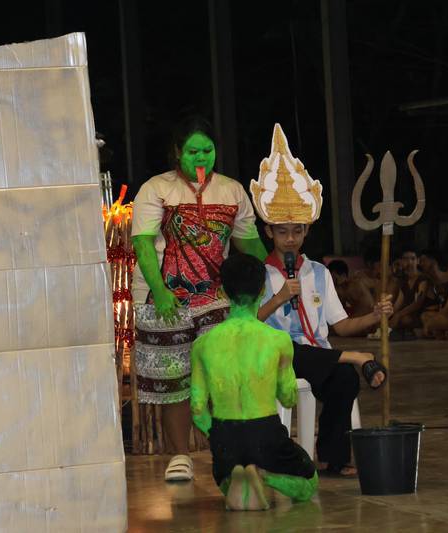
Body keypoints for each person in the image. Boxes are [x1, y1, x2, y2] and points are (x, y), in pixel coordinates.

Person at [251, 124, 391, 478]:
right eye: (282, 231)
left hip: (320, 357)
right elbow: (249, 324)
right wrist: (279, 298)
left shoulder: (318, 272)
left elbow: (340, 325)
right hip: (278, 357)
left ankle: (331, 457)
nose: (290, 238)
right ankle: (355, 357)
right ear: (268, 231)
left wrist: (374, 315)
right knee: (291, 349)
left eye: (297, 231)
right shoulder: (258, 275)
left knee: (344, 380)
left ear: (306, 231)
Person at [131, 116, 267, 482]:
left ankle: (229, 450)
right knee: (174, 380)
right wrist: (161, 292)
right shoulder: (156, 188)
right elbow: (143, 243)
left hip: (216, 298)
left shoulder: (232, 190)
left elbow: (249, 244)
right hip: (164, 300)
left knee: (224, 376)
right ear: (177, 152)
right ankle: (180, 455)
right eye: (193, 151)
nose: (201, 157)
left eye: (207, 150)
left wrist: (271, 267)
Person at [191, 254, 318, 510]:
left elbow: (197, 408)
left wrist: (215, 434)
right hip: (266, 433)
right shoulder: (278, 340)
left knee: (225, 476)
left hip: (225, 435)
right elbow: (288, 397)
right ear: (262, 290)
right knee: (308, 483)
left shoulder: (202, 344)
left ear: (223, 292)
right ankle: (263, 475)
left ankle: (234, 478)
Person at [387, 248, 428, 339]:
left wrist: (399, 314)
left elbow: (418, 303)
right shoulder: (404, 281)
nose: (409, 262)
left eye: (413, 259)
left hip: (421, 315)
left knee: (403, 319)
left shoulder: (423, 279)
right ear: (401, 261)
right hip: (407, 314)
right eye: (406, 259)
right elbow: (398, 303)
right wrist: (388, 315)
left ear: (418, 261)